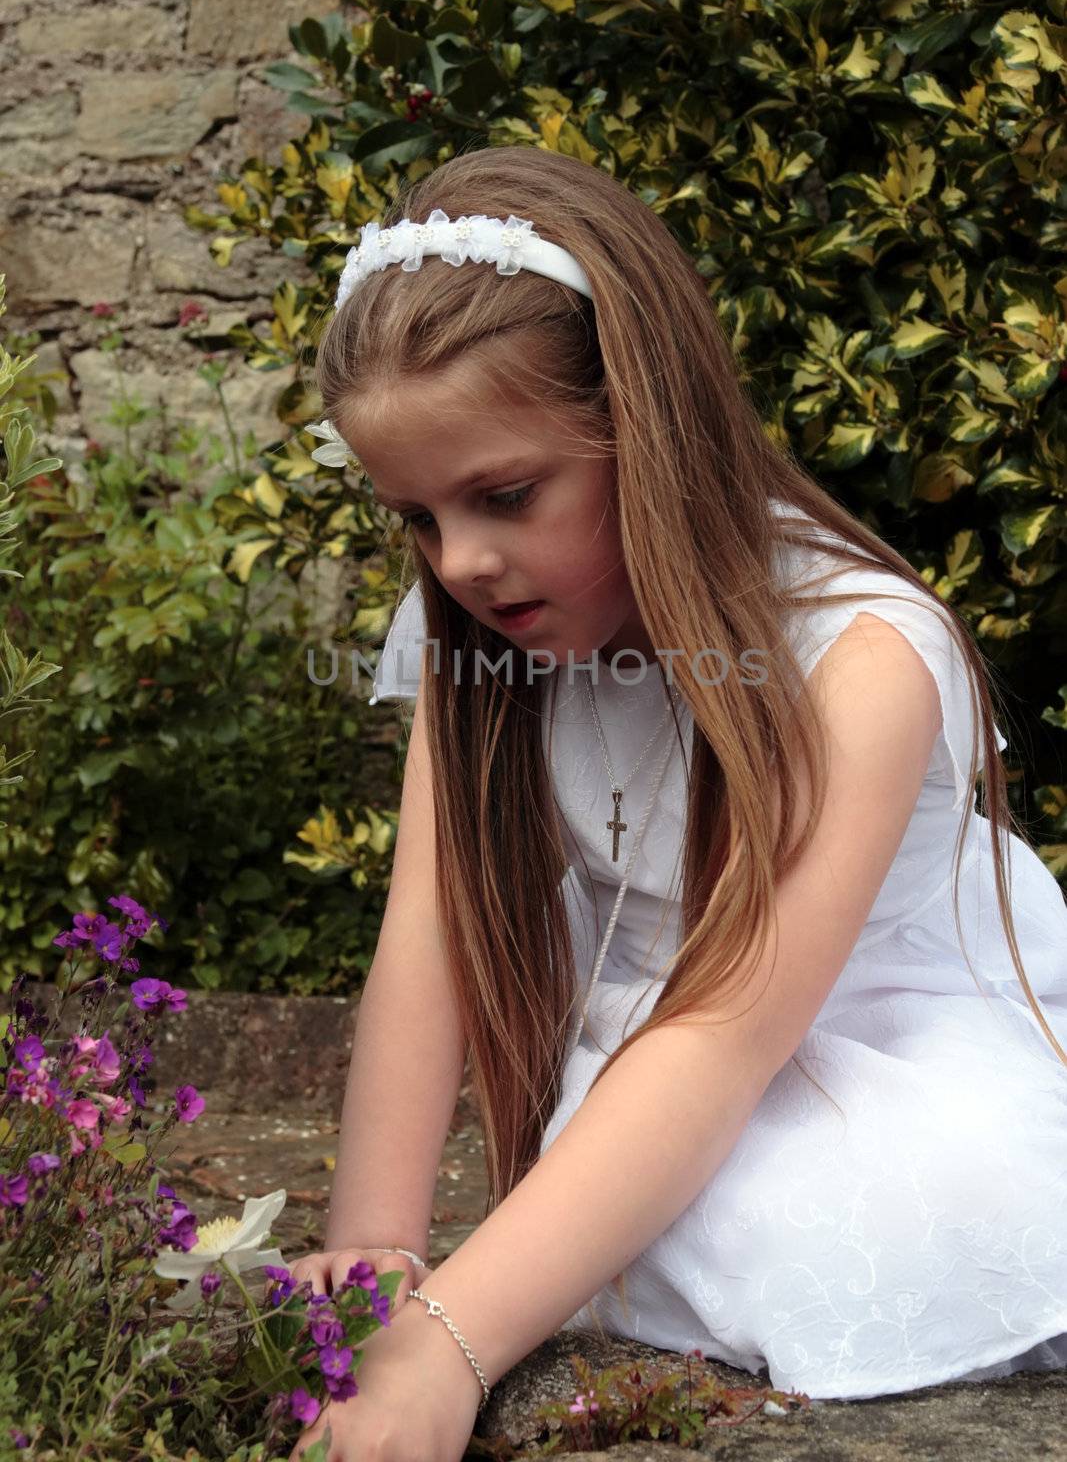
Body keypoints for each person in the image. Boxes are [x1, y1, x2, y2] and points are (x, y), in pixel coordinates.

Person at [288, 144, 1067, 1434]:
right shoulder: (486, 640)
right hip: (658, 1055)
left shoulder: (861, 657)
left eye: (506, 495)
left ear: (642, 429)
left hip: (854, 1041)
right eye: (416, 517)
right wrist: (378, 1248)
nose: (463, 562)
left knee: (811, 1211)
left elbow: (724, 1034)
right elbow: (428, 931)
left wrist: (444, 1354)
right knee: (632, 1193)